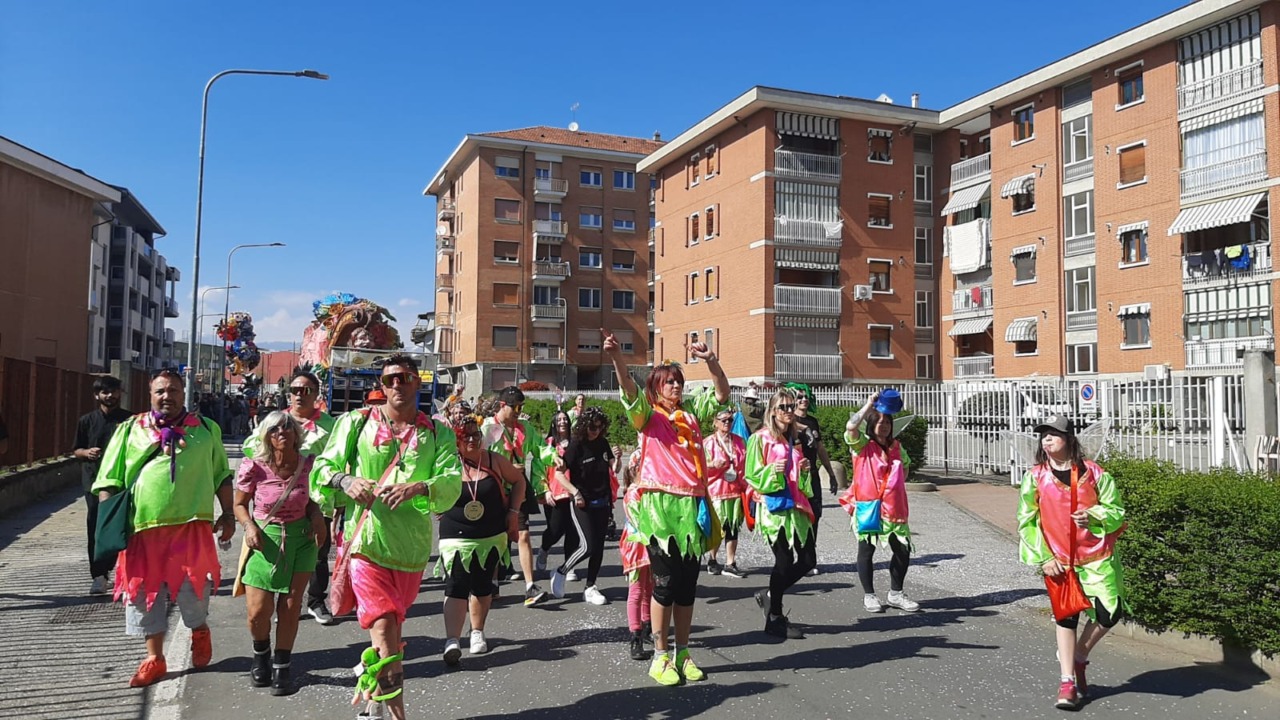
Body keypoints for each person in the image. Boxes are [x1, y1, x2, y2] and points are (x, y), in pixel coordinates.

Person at [312, 354, 462, 720]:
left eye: (405, 378)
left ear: (418, 383)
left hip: (411, 549)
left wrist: (420, 487)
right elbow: (322, 467)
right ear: (381, 385)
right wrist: (347, 481)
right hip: (366, 542)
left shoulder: (437, 432)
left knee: (391, 631)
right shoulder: (356, 422)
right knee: (382, 627)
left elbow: (452, 479)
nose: (397, 384)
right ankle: (399, 714)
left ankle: (373, 702)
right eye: (390, 379)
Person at [92, 369, 235, 688]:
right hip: (142, 531)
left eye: (172, 390)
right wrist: (107, 521)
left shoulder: (206, 429)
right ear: (150, 395)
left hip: (192, 527)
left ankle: (200, 631)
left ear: (184, 393)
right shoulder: (129, 430)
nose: (166, 396)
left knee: (195, 592)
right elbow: (109, 480)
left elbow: (222, 475)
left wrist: (228, 513)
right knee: (144, 594)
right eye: (159, 391)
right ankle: (154, 657)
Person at [604, 327, 729, 686]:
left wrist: (711, 362)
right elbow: (629, 388)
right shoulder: (648, 416)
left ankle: (683, 652)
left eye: (678, 382)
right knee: (665, 585)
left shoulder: (690, 414)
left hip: (692, 507)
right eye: (669, 383)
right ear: (656, 389)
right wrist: (616, 357)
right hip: (660, 510)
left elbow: (721, 395)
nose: (676, 387)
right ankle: (659, 655)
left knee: (688, 587)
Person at [1017, 415, 1128, 710]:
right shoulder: (1035, 477)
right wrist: (1043, 557)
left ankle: (1079, 656)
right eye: (1044, 435)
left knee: (1109, 612)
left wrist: (1094, 516)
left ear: (1069, 439)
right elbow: (1027, 521)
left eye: (1054, 434)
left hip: (1096, 556)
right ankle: (1067, 680)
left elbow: (1116, 511)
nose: (1047, 439)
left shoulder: (1094, 474)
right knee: (1066, 617)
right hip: (1058, 560)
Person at [233, 412, 326, 695]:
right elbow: (239, 504)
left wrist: (317, 514)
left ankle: (282, 666)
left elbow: (309, 500)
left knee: (290, 605)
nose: (281, 432)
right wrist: (249, 526)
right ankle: (261, 652)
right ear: (266, 435)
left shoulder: (308, 465)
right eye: (274, 428)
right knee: (258, 612)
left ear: (297, 434)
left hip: (301, 539)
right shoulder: (255, 466)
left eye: (288, 427)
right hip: (265, 540)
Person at [246, 368, 339, 625]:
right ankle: (287, 602)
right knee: (280, 552)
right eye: (295, 390)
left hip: (319, 500)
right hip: (279, 502)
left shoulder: (330, 426)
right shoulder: (276, 421)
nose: (300, 395)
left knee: (318, 550)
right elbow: (253, 450)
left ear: (317, 394)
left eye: (306, 390)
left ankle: (316, 602)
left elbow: (341, 461)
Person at [439, 414, 524, 665]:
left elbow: (518, 481)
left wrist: (514, 512)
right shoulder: (448, 463)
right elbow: (430, 486)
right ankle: (451, 639)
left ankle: (477, 632)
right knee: (455, 585)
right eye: (465, 437)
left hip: (491, 535)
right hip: (455, 537)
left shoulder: (493, 460)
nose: (472, 440)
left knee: (482, 585)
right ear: (456, 441)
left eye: (476, 435)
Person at [745, 388, 816, 640]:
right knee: (784, 562)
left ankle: (770, 595)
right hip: (775, 509)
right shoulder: (760, 439)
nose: (788, 411)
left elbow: (798, 479)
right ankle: (775, 617)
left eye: (791, 406)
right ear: (773, 412)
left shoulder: (794, 439)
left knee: (808, 560)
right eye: (783, 407)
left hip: (796, 507)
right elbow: (751, 475)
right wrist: (772, 471)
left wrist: (805, 469)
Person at [840, 390, 919, 614]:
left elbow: (905, 467)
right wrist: (868, 406)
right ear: (872, 424)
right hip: (869, 506)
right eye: (880, 421)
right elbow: (850, 427)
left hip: (894, 508)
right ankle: (869, 595)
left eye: (887, 421)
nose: (884, 425)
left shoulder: (896, 446)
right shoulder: (862, 446)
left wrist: (896, 482)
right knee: (867, 550)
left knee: (902, 551)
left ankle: (896, 593)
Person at [482, 386, 554, 607]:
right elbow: (479, 457)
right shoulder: (488, 428)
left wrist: (554, 457)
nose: (518, 412)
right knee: (496, 539)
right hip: (493, 490)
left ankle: (530, 586)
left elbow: (541, 448)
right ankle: (492, 584)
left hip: (517, 491)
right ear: (503, 406)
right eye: (515, 407)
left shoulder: (525, 428)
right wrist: (506, 468)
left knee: (523, 535)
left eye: (521, 407)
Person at [549, 407, 615, 605]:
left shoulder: (603, 443)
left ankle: (590, 586)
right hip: (582, 502)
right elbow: (559, 474)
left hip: (603, 501)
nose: (595, 431)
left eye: (599, 427)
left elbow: (614, 467)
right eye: (592, 427)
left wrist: (618, 460)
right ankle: (561, 571)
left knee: (599, 548)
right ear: (585, 425)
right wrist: (575, 492)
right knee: (588, 546)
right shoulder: (576, 445)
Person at [74, 375, 132, 595]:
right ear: (97, 395)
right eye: (105, 392)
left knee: (125, 528)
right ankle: (99, 575)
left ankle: (124, 572)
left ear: (120, 393)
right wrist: (86, 452)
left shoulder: (130, 420)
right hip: (94, 483)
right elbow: (76, 450)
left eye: (114, 391)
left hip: (124, 482)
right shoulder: (86, 421)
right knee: (97, 529)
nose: (110, 396)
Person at [788, 384, 836, 575]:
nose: (804, 400)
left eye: (806, 396)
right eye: (799, 397)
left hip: (812, 474)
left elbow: (821, 449)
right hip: (795, 475)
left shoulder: (813, 422)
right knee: (798, 514)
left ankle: (808, 558)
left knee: (815, 514)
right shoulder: (788, 419)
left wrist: (831, 474)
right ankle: (794, 557)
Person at [703, 408, 747, 578]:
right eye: (723, 420)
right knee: (718, 528)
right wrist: (713, 464)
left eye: (730, 420)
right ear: (715, 422)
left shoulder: (739, 441)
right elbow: (698, 468)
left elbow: (744, 466)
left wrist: (746, 487)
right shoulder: (708, 443)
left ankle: (730, 562)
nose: (727, 423)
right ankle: (712, 560)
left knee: (733, 527)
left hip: (735, 490)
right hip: (716, 490)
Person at [618, 449, 653, 661]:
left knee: (651, 586)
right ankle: (635, 634)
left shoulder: (649, 490)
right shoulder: (633, 493)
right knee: (637, 589)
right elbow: (639, 519)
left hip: (650, 543)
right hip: (636, 545)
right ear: (634, 470)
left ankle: (648, 625)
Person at [537, 411, 580, 579]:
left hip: (574, 493)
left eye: (565, 419)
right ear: (554, 423)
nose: (562, 422)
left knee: (573, 530)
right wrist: (545, 490)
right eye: (559, 419)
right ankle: (544, 548)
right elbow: (539, 469)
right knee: (555, 530)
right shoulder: (547, 444)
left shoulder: (576, 443)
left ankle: (569, 566)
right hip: (554, 494)